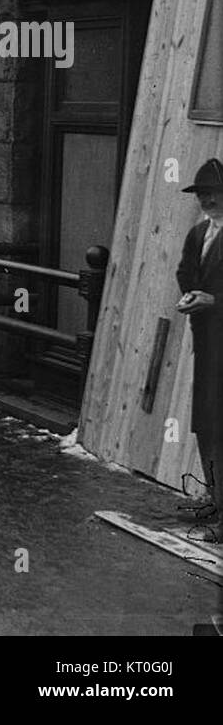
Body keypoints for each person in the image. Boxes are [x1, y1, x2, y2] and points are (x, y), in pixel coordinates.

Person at [176, 158, 223, 543]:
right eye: (203, 194)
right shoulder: (198, 234)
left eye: (214, 193)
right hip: (207, 344)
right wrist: (190, 293)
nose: (208, 199)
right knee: (205, 426)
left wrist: (215, 301)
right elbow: (184, 273)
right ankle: (217, 500)